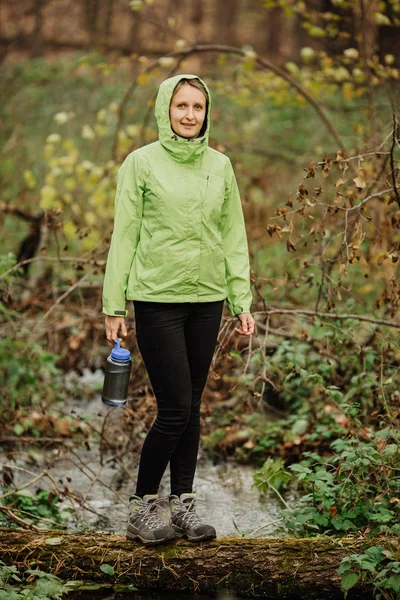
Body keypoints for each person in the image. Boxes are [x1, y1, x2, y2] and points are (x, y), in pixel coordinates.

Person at [102, 74, 255, 546]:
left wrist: (240, 298)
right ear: (165, 109)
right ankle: (143, 506)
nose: (190, 115)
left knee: (192, 406)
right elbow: (124, 233)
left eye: (198, 107)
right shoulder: (141, 163)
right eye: (181, 105)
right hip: (157, 298)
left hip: (207, 299)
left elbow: (234, 235)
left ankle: (183, 504)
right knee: (174, 409)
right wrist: (114, 304)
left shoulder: (220, 165)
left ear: (207, 113)